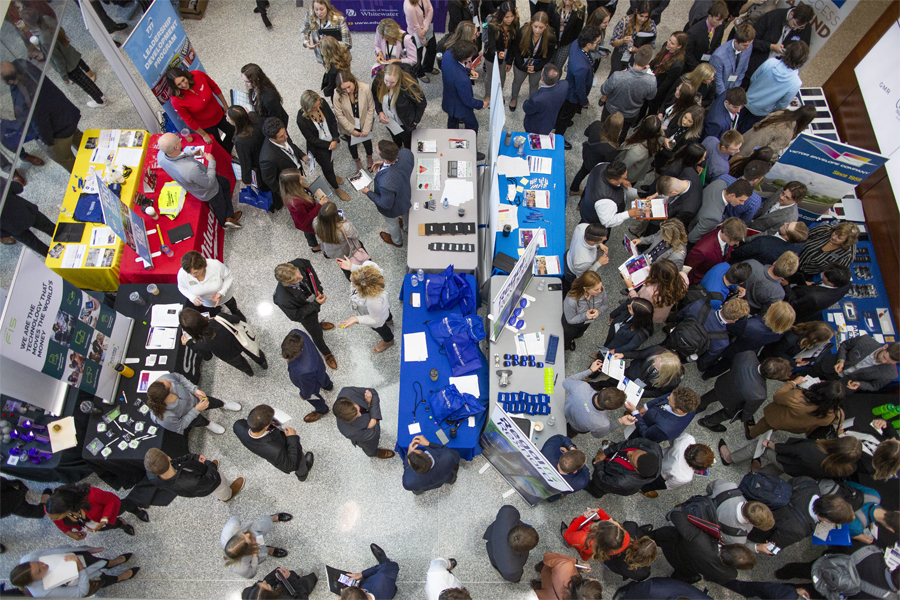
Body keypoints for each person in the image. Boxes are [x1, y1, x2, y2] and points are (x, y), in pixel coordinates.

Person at [1, 59, 82, 172]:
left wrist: (47, 142)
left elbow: (40, 124)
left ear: (9, 81)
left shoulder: (25, 100)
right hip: (67, 117)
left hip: (57, 137)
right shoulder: (23, 64)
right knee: (85, 145)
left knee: (71, 163)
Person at [23, 7, 105, 108]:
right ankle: (99, 95)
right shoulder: (47, 19)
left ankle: (100, 101)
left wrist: (64, 77)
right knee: (85, 80)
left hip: (68, 66)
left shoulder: (44, 40)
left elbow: (58, 60)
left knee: (85, 84)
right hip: (70, 52)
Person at [156, 132, 240, 229]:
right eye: (177, 138)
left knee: (225, 183)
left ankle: (230, 216)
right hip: (209, 190)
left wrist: (190, 153)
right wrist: (211, 161)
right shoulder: (190, 169)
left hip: (199, 183)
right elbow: (209, 183)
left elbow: (176, 158)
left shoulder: (161, 156)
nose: (179, 138)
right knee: (219, 206)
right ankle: (224, 223)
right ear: (175, 147)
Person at [651, 511, 756, 586]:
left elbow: (676, 516)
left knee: (665, 534)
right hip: (685, 567)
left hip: (671, 544)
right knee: (684, 575)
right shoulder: (730, 575)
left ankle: (646, 538)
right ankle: (673, 582)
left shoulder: (700, 539)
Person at [730, 377, 845, 444]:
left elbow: (777, 396)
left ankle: (751, 433)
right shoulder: (834, 414)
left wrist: (792, 383)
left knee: (766, 424)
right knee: (774, 426)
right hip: (796, 427)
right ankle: (770, 431)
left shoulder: (798, 397)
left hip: (778, 418)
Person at [697, 354, 792, 433]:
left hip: (724, 384)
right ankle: (708, 422)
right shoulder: (760, 394)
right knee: (726, 414)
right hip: (732, 403)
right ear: (772, 378)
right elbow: (748, 411)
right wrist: (743, 418)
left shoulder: (748, 355)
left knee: (711, 395)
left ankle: (698, 406)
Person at [701, 300, 795, 378]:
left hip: (732, 346)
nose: (772, 304)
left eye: (774, 307)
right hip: (748, 351)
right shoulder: (779, 333)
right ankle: (707, 375)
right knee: (723, 365)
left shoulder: (749, 325)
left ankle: (703, 366)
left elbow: (730, 328)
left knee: (716, 355)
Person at [273, 259, 337, 368]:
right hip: (306, 315)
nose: (301, 277)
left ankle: (319, 325)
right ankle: (326, 352)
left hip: (313, 299)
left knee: (316, 321)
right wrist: (315, 304)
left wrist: (318, 289)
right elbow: (296, 315)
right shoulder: (282, 299)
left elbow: (309, 270)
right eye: (296, 279)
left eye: (298, 272)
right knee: (316, 334)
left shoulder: (298, 263)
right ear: (287, 283)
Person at [762, 479, 855, 552]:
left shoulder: (809, 483)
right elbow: (773, 545)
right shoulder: (798, 530)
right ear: (827, 519)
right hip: (758, 525)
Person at [10, 546, 137, 597]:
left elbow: (56, 550)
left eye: (38, 562)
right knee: (104, 580)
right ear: (32, 582)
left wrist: (84, 550)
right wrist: (80, 568)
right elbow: (81, 592)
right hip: (87, 579)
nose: (44, 565)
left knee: (101, 561)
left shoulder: (28, 558)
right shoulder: (42, 592)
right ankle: (119, 578)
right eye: (39, 571)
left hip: (78, 558)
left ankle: (112, 562)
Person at [233, 404, 315, 482]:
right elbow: (292, 465)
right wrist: (292, 438)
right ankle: (302, 475)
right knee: (300, 462)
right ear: (266, 427)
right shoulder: (275, 450)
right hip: (286, 451)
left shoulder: (238, 425)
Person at [740, 41, 809, 132]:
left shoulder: (770, 62)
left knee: (732, 121)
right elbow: (782, 104)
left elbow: (753, 78)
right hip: (762, 111)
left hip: (747, 99)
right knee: (743, 131)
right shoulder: (796, 83)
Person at [179, 307, 268, 377]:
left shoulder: (201, 343)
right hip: (240, 341)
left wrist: (189, 344)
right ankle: (262, 363)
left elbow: (208, 357)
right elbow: (236, 319)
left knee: (240, 364)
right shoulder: (219, 317)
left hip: (228, 355)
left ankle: (249, 372)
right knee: (253, 351)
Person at [146, 371, 240, 435]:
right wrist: (196, 410)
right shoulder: (164, 418)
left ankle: (224, 404)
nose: (169, 380)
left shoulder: (164, 380)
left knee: (213, 402)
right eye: (169, 384)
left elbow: (178, 377)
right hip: (188, 416)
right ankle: (208, 424)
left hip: (195, 398)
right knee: (199, 421)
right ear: (167, 396)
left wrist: (194, 390)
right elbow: (180, 426)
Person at [297, 90, 350, 202]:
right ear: (307, 108)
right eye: (314, 107)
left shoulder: (323, 103)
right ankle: (337, 189)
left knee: (332, 161)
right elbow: (311, 139)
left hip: (332, 141)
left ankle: (333, 177)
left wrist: (335, 139)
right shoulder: (301, 119)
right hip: (320, 148)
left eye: (318, 105)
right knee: (327, 168)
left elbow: (332, 120)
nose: (318, 108)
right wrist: (329, 145)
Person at [166, 67, 234, 153]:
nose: (183, 85)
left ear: (185, 75)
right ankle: (228, 155)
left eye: (183, 80)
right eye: (179, 84)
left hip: (219, 114)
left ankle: (228, 151)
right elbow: (188, 120)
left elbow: (214, 87)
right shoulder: (176, 100)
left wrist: (225, 104)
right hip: (206, 126)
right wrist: (204, 135)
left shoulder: (198, 75)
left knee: (234, 132)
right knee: (219, 146)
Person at [671, 297, 750, 370]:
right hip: (688, 352)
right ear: (735, 320)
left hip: (676, 335)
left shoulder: (698, 305)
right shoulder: (723, 341)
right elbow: (706, 358)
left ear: (725, 303)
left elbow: (678, 316)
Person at [45, 484, 148, 539]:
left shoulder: (92, 495)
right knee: (112, 525)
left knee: (124, 505)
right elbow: (58, 521)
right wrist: (70, 533)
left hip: (108, 512)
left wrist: (104, 519)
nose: (53, 520)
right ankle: (122, 524)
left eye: (55, 517)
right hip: (94, 523)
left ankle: (136, 510)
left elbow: (111, 501)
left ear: (66, 508)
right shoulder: (51, 508)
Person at [362, 140, 414, 249]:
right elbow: (399, 166)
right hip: (405, 196)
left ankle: (397, 241)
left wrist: (368, 192)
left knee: (392, 224)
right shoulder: (406, 153)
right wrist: (382, 164)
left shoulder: (386, 182)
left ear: (386, 159)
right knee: (406, 215)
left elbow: (386, 204)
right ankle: (406, 227)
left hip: (393, 209)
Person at [744, 4, 813, 85]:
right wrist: (771, 46)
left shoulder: (806, 29)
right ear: (792, 14)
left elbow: (802, 51)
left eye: (800, 27)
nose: (795, 28)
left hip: (777, 73)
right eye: (795, 24)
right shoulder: (772, 16)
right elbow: (752, 40)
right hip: (755, 64)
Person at [599, 45, 657, 141]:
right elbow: (651, 97)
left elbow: (604, 90)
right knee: (622, 133)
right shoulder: (651, 81)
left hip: (611, 110)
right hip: (630, 115)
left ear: (634, 56)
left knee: (604, 128)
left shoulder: (618, 76)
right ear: (648, 62)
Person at [144, 448, 244, 503]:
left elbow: (178, 460)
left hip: (195, 473)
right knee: (221, 487)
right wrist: (210, 466)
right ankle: (227, 497)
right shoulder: (191, 482)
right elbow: (211, 480)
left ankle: (206, 468)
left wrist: (194, 457)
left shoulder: (153, 475)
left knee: (207, 470)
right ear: (168, 458)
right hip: (210, 483)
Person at [555, 26, 601, 143]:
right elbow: (580, 88)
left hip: (568, 84)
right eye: (596, 42)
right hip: (573, 95)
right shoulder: (581, 67)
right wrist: (585, 102)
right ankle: (558, 136)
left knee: (563, 110)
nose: (597, 45)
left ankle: (558, 123)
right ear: (589, 44)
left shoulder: (576, 43)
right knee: (566, 115)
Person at [804, 336, 900, 393]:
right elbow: (845, 345)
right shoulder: (865, 340)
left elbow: (874, 386)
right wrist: (841, 360)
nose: (883, 362)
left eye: (888, 362)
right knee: (803, 376)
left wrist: (860, 384)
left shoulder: (890, 374)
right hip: (828, 366)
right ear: (885, 347)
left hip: (841, 386)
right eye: (884, 357)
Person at [337, 260, 395, 353]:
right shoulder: (371, 267)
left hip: (374, 314)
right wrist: (352, 267)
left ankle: (388, 340)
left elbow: (375, 320)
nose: (351, 280)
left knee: (381, 328)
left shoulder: (373, 300)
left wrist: (356, 319)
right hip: (382, 306)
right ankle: (389, 320)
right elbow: (365, 270)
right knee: (386, 312)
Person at [705, 478, 776, 552]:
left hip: (700, 504)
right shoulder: (738, 537)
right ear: (748, 520)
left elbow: (710, 486)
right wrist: (757, 547)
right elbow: (738, 547)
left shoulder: (729, 486)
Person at [564, 361, 631, 437]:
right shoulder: (602, 424)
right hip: (576, 428)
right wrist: (621, 421)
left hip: (566, 410)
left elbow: (566, 382)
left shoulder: (582, 387)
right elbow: (597, 435)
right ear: (610, 409)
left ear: (603, 389)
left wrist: (590, 370)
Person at [508, 11, 558, 111]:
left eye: (541, 27)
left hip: (538, 64)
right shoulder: (523, 32)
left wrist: (537, 67)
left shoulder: (551, 37)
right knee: (517, 82)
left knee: (534, 84)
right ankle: (514, 98)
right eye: (535, 26)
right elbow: (515, 49)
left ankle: (532, 100)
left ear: (546, 26)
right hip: (521, 63)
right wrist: (523, 66)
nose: (537, 30)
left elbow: (548, 56)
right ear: (531, 23)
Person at [584, 436, 662, 499]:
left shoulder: (623, 482)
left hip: (606, 478)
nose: (629, 452)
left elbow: (602, 481)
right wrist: (607, 452)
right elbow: (628, 444)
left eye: (631, 457)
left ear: (637, 470)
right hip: (611, 461)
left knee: (598, 489)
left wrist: (599, 463)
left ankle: (595, 493)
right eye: (635, 451)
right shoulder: (652, 446)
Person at [442, 40, 488, 144]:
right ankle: (468, 148)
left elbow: (456, 67)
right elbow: (468, 101)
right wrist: (482, 104)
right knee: (472, 126)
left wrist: (469, 70)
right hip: (461, 107)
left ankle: (450, 142)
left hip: (449, 99)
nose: (472, 58)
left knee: (452, 121)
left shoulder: (447, 55)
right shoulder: (462, 79)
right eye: (471, 56)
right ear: (465, 57)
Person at [640, 433, 714, 497]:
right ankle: (642, 489)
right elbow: (669, 484)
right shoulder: (686, 476)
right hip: (660, 475)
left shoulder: (688, 438)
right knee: (651, 485)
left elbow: (672, 439)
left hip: (659, 456)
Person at [283, 330, 333, 423]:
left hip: (311, 382)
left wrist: (304, 396)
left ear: (300, 351)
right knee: (323, 377)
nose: (286, 360)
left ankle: (322, 410)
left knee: (313, 397)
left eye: (290, 358)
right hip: (319, 367)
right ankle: (328, 386)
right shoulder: (297, 333)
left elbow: (307, 388)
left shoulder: (304, 371)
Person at [373, 63, 427, 149]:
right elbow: (375, 97)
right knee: (395, 138)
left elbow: (422, 103)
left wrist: (416, 120)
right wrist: (379, 111)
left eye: (392, 82)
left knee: (408, 143)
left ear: (399, 79)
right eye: (386, 80)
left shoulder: (409, 86)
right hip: (389, 121)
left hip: (405, 122)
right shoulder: (379, 81)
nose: (388, 84)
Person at [222, 514, 291, 579]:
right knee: (263, 551)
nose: (248, 535)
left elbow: (235, 518)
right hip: (255, 553)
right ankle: (269, 550)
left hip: (253, 529)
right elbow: (252, 573)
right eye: (249, 540)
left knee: (266, 526)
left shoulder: (230, 528)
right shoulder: (241, 568)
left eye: (243, 536)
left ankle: (272, 517)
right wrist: (255, 556)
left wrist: (244, 530)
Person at [177, 251, 244, 319]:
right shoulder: (182, 274)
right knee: (215, 314)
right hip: (207, 302)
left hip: (225, 295)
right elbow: (182, 288)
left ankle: (236, 312)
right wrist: (192, 298)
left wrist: (221, 292)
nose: (193, 276)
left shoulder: (215, 265)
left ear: (202, 266)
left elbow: (229, 277)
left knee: (231, 304)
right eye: (190, 273)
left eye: (196, 272)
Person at [333, 387, 395, 459]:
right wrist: (372, 410)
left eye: (357, 410)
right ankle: (375, 453)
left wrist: (373, 417)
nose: (359, 414)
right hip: (366, 439)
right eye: (355, 416)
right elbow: (373, 433)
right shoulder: (349, 431)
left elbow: (373, 392)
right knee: (370, 448)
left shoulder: (347, 391)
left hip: (368, 427)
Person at [259, 117, 306, 212]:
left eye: (285, 132)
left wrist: (302, 156)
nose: (286, 136)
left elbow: (292, 146)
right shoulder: (267, 158)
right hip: (289, 184)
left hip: (296, 170)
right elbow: (270, 181)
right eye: (281, 136)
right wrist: (287, 194)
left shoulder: (282, 133)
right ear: (272, 139)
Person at [569, 113, 623, 194]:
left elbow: (586, 133)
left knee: (582, 171)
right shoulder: (612, 148)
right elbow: (607, 163)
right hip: (596, 165)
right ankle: (583, 198)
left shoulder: (596, 124)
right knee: (593, 182)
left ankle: (573, 189)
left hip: (587, 154)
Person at [333, 71, 375, 173]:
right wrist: (351, 130)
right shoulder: (337, 93)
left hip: (365, 122)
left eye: (349, 87)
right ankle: (357, 161)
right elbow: (339, 114)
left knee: (367, 141)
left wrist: (366, 128)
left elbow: (370, 108)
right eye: (344, 89)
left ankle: (369, 157)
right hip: (348, 126)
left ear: (353, 81)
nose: (347, 91)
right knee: (351, 144)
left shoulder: (365, 88)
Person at [623, 258, 689, 323]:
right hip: (660, 315)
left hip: (646, 314)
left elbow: (638, 303)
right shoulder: (684, 278)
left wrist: (630, 288)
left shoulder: (650, 292)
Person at [483, 505, 538, 583]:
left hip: (493, 535)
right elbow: (514, 579)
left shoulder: (507, 511)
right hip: (497, 556)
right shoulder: (511, 568)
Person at [684, 217, 748, 284]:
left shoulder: (729, 238)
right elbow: (688, 269)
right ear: (725, 234)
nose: (737, 243)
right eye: (734, 240)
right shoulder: (702, 250)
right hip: (700, 281)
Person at [0, 179, 55, 255]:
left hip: (13, 229)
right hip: (28, 212)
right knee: (50, 228)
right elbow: (18, 188)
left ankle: (54, 259)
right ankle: (71, 242)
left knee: (35, 245)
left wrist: (6, 233)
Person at [626, 387, 700, 444]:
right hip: (648, 416)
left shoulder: (664, 430)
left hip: (643, 430)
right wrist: (645, 407)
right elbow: (662, 399)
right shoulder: (689, 406)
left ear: (679, 410)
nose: (668, 398)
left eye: (670, 400)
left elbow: (645, 434)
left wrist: (635, 413)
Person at [642, 33, 688, 121]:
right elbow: (657, 59)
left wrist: (654, 93)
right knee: (643, 102)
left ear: (679, 46)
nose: (668, 43)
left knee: (652, 106)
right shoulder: (666, 46)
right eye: (669, 40)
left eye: (672, 43)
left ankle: (647, 120)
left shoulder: (677, 64)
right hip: (651, 77)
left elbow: (666, 83)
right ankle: (640, 117)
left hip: (658, 88)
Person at [783, 264, 852, 323]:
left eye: (824, 275)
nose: (822, 273)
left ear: (830, 283)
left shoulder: (814, 298)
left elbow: (792, 304)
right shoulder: (846, 283)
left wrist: (786, 286)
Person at [280, 169, 328, 251]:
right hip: (309, 223)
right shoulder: (295, 203)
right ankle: (319, 248)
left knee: (309, 234)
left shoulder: (296, 189)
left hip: (305, 217)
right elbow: (305, 221)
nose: (302, 177)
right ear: (294, 184)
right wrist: (320, 204)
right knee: (315, 233)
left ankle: (314, 246)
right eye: (300, 178)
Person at [609, 346, 683, 398]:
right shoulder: (656, 350)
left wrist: (639, 392)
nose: (653, 364)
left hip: (640, 389)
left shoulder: (672, 382)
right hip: (631, 373)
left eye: (657, 367)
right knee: (612, 381)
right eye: (655, 361)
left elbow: (658, 393)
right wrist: (623, 355)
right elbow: (640, 354)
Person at [314, 202, 365, 279]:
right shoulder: (344, 227)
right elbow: (356, 235)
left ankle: (351, 278)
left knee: (344, 267)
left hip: (333, 251)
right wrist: (345, 220)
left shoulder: (315, 222)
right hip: (348, 251)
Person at [739, 104, 816, 155]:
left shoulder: (782, 112)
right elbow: (771, 151)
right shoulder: (787, 132)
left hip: (745, 138)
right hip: (749, 151)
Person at [227, 105, 268, 196]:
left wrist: (246, 180)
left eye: (228, 118)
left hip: (259, 164)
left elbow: (245, 162)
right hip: (267, 152)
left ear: (235, 122)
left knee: (265, 188)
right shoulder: (254, 116)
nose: (227, 119)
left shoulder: (240, 140)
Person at [607, 0, 657, 75]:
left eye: (646, 17)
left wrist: (637, 50)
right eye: (641, 16)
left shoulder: (651, 26)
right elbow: (613, 42)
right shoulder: (625, 21)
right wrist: (623, 41)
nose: (643, 19)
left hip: (635, 58)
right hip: (620, 54)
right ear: (636, 11)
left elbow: (651, 46)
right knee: (614, 75)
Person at [562, 271, 608, 350]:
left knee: (579, 333)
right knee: (568, 336)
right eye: (596, 289)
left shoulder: (601, 290)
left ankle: (574, 338)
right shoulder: (571, 300)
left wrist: (598, 311)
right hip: (572, 325)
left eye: (600, 287)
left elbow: (605, 305)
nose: (600, 291)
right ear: (585, 288)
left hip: (587, 322)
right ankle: (567, 344)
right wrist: (585, 316)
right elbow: (570, 320)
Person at [760, 321, 835, 368]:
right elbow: (776, 353)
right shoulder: (790, 339)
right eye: (826, 339)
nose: (828, 341)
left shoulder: (805, 333)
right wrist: (794, 363)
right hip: (768, 359)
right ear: (815, 338)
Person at [710, 22, 755, 99]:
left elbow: (743, 69)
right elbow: (718, 82)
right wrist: (725, 98)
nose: (747, 48)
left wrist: (734, 90)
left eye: (749, 44)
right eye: (744, 45)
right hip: (720, 94)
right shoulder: (718, 56)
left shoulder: (748, 47)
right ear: (736, 41)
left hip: (733, 88)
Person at [730, 221, 808, 266]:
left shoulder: (763, 243)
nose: (785, 223)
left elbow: (741, 252)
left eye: (787, 227)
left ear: (787, 237)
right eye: (789, 223)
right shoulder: (799, 246)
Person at [483, 3, 519, 96]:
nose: (509, 19)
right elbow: (491, 44)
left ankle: (499, 93)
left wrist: (509, 61)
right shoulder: (493, 25)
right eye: (506, 17)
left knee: (502, 76)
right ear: (501, 15)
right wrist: (497, 53)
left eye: (511, 16)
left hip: (505, 56)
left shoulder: (514, 24)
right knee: (489, 76)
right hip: (491, 55)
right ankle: (488, 94)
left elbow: (514, 44)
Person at [301, 0, 351, 65]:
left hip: (339, 56)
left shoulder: (339, 20)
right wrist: (306, 42)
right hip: (323, 57)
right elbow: (304, 31)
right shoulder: (310, 14)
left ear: (327, 7)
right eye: (316, 9)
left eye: (322, 9)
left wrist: (328, 44)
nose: (319, 13)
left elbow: (347, 44)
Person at [523, 64, 568, 135]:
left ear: (542, 79)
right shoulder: (564, 85)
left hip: (536, 127)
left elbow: (527, 109)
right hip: (550, 122)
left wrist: (526, 102)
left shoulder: (536, 99)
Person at [532, 553, 602, 599]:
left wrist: (577, 562)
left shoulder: (566, 567)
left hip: (547, 574)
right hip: (544, 596)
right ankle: (535, 585)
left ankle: (538, 569)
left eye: (593, 581)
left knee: (543, 567)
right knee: (538, 588)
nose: (596, 580)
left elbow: (547, 557)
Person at [616, 115, 661, 185]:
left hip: (627, 177)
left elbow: (623, 166)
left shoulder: (636, 151)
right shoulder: (660, 137)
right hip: (637, 173)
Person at [565, 223, 609, 288]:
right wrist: (599, 263)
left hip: (569, 254)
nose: (606, 238)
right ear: (592, 242)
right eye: (603, 238)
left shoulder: (583, 226)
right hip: (572, 271)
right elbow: (583, 276)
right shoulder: (584, 261)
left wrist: (599, 243)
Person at [404, 0, 438, 83]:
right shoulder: (408, 5)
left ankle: (428, 67)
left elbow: (430, 10)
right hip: (415, 33)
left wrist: (426, 28)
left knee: (432, 49)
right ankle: (419, 73)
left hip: (426, 30)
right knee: (417, 56)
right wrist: (423, 40)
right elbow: (415, 26)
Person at [242, 567, 319, 599]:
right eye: (266, 585)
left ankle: (296, 576)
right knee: (305, 584)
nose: (264, 581)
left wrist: (278, 572)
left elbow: (267, 580)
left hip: (283, 586)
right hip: (295, 592)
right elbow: (302, 597)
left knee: (292, 575)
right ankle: (313, 577)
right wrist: (291, 579)